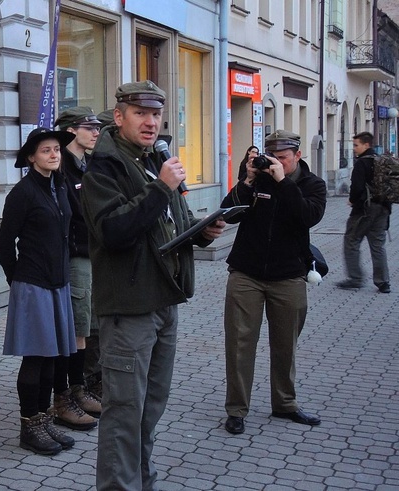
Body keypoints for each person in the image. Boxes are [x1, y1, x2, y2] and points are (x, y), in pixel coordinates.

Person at [80, 81, 224, 490]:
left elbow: (165, 226)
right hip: (129, 307)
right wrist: (160, 187)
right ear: (120, 115)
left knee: (149, 409)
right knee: (124, 412)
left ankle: (143, 481)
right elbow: (115, 231)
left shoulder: (152, 157)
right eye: (141, 113)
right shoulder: (104, 167)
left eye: (156, 114)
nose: (151, 121)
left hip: (164, 300)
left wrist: (200, 232)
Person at [221, 129, 327, 436]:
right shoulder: (257, 180)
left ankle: (285, 404)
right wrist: (248, 178)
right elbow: (230, 214)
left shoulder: (313, 185)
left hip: (289, 276)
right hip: (245, 273)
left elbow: (307, 216)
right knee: (240, 345)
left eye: (282, 158)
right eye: (272, 158)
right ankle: (237, 410)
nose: (275, 163)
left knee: (285, 346)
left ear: (297, 155)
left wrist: (282, 182)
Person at [0, 127, 79, 456]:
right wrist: (16, 279)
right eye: (46, 150)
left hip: (58, 283)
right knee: (36, 359)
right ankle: (29, 426)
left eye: (57, 150)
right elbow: (5, 243)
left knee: (54, 359)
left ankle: (44, 421)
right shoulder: (23, 192)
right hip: (32, 285)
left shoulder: (58, 186)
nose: (54, 155)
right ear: (32, 157)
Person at [52, 106, 103, 425]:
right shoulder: (62, 167)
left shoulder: (87, 163)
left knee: (88, 325)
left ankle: (81, 387)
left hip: (94, 253)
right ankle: (67, 397)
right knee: (77, 326)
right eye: (90, 127)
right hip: (75, 255)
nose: (97, 132)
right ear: (71, 130)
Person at [336, 132, 391, 293]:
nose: (354, 149)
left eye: (356, 145)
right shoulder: (382, 161)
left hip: (364, 209)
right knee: (378, 245)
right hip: (383, 208)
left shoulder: (362, 163)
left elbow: (357, 187)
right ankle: (383, 282)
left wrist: (353, 201)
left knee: (351, 241)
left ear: (366, 145)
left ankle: (355, 278)